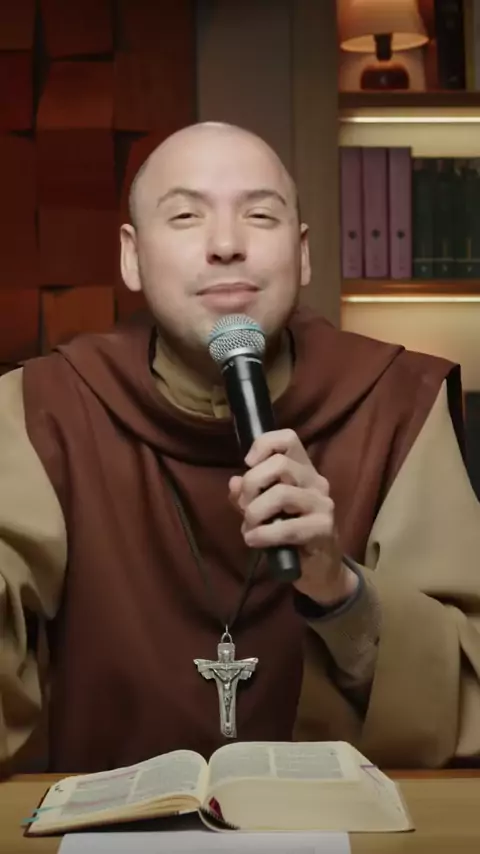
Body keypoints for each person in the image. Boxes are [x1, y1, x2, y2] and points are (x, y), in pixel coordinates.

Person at [1, 121, 480, 776]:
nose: (226, 245)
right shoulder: (44, 406)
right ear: (132, 257)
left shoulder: (397, 402)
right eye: (186, 216)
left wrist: (340, 590)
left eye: (259, 215)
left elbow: (466, 692)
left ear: (303, 254)